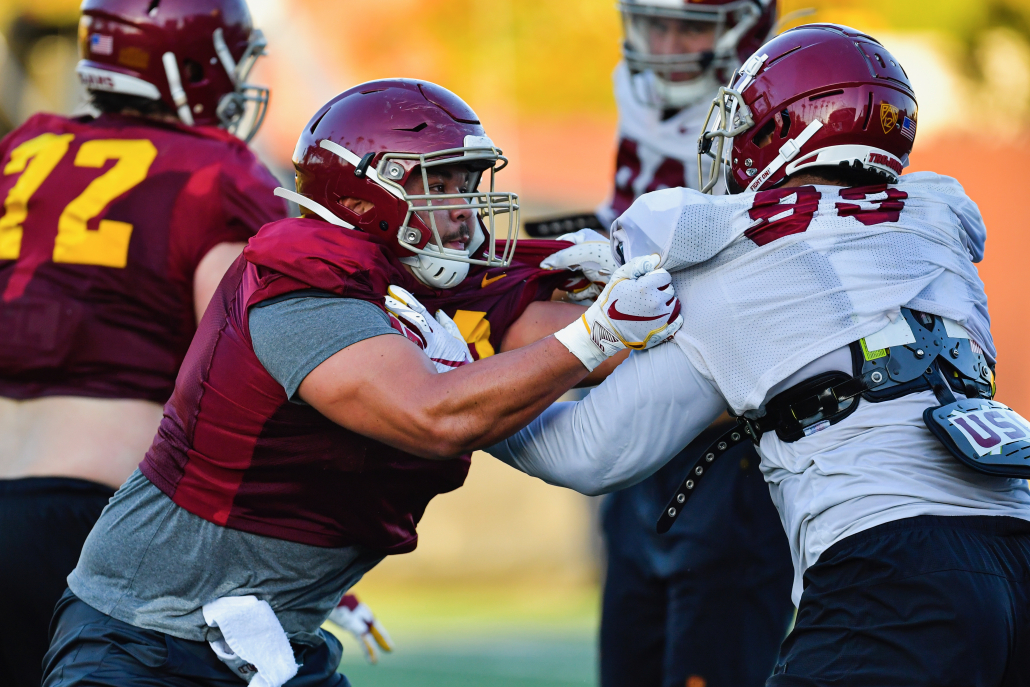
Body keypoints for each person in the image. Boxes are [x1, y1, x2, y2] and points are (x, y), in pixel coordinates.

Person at [40, 79, 683, 687]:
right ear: (372, 190)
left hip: (268, 630)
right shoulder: (301, 283)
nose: (466, 208)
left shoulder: (414, 286)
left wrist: (665, 303)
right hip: (143, 636)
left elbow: (616, 344)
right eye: (444, 184)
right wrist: (599, 330)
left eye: (469, 182)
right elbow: (435, 416)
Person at [492, 24, 1030, 687]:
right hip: (1018, 546)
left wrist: (465, 404)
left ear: (781, 132)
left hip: (891, 570)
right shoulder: (936, 223)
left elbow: (588, 448)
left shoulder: (737, 263)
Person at [0, 2, 287, 685]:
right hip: (107, 525)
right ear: (192, 64)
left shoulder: (22, 150)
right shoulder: (217, 171)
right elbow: (243, 369)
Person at [539, 3, 793, 686]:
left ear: (744, 28)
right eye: (656, 24)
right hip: (644, 446)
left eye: (690, 27)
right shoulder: (645, 97)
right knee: (629, 659)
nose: (669, 46)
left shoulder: (780, 116)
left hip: (725, 445)